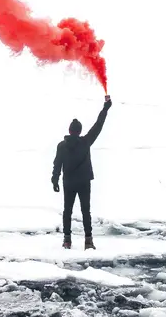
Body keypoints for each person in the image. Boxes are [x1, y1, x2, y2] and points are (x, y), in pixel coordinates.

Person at [51, 96, 112, 250]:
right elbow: (98, 126)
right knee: (86, 211)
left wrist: (55, 180)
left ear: (70, 131)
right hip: (84, 182)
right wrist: (105, 108)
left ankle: (67, 240)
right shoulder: (86, 142)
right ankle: (88, 241)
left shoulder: (61, 146)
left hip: (69, 183)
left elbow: (57, 164)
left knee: (67, 211)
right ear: (79, 131)